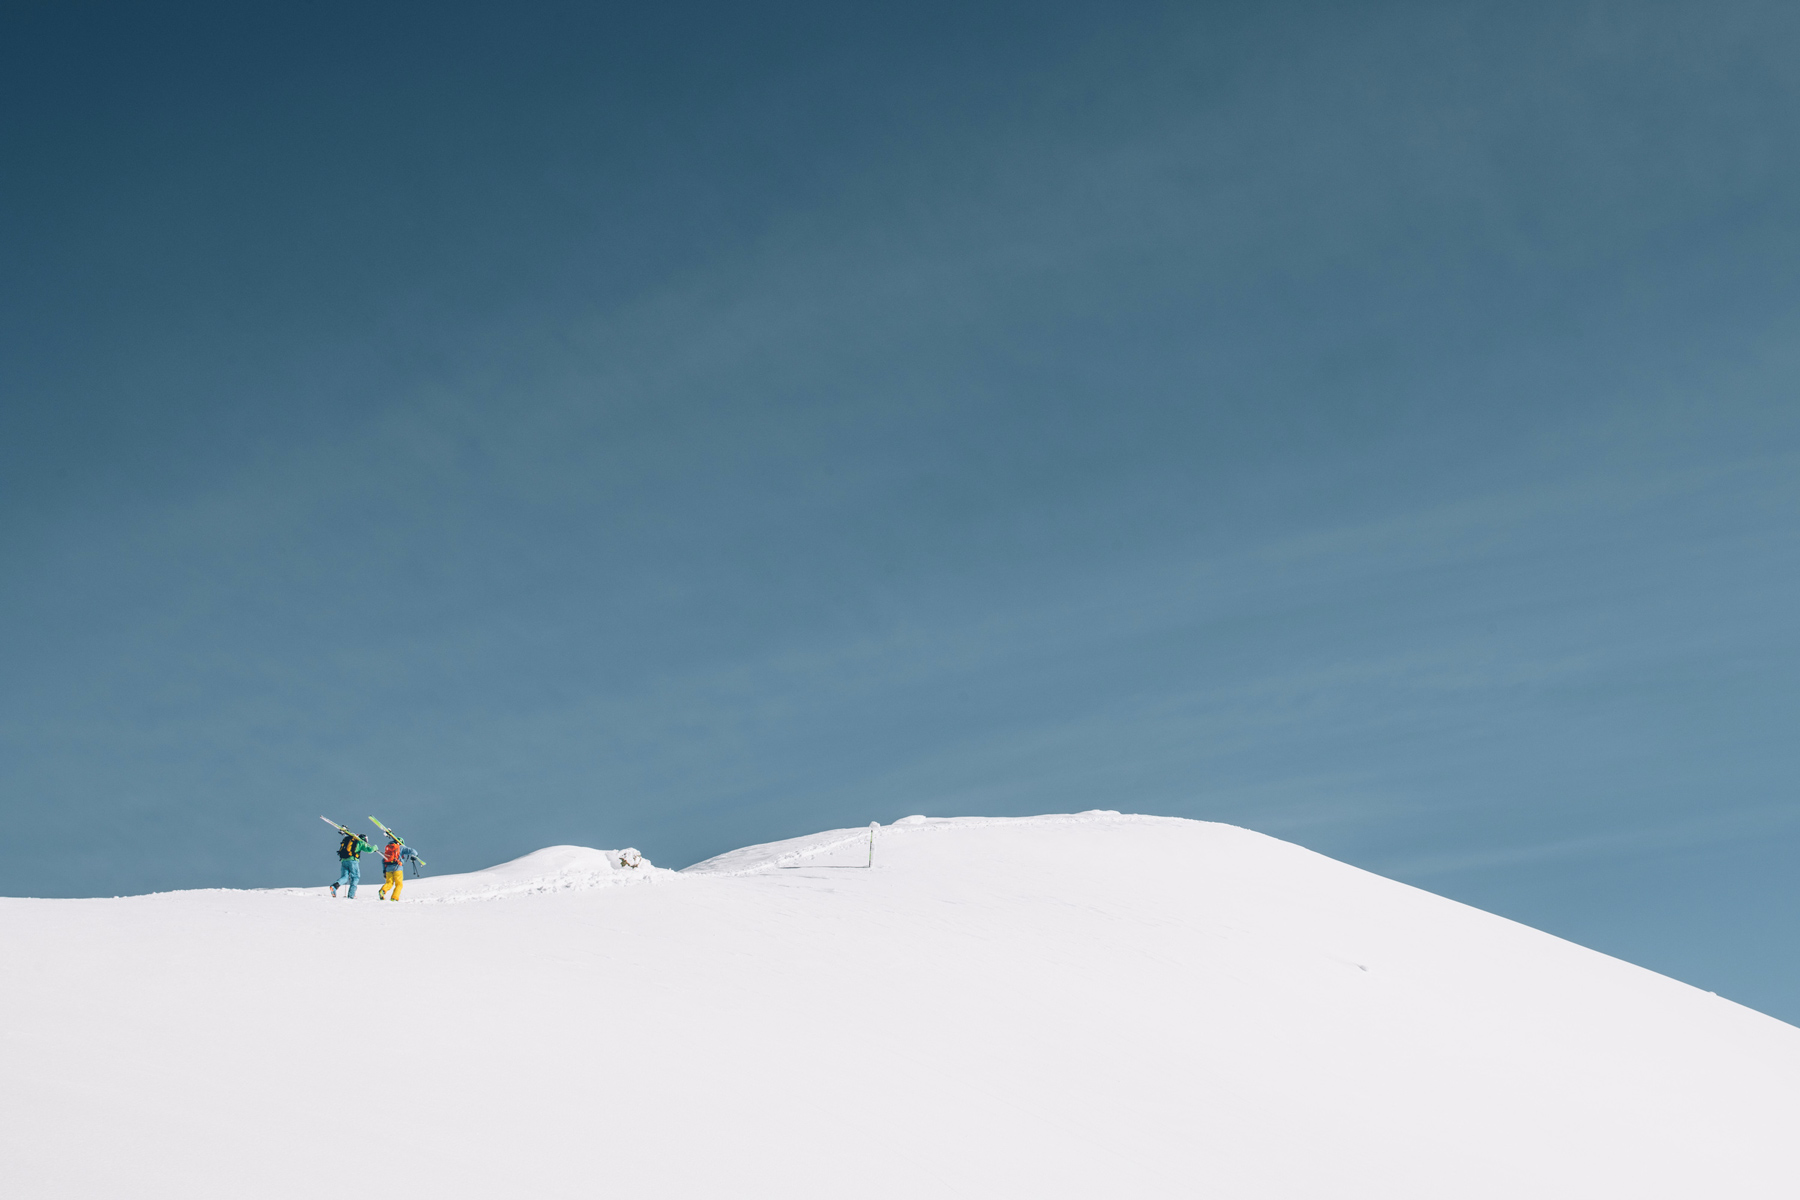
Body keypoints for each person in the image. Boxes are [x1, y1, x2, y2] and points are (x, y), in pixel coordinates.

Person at [377, 837, 422, 901]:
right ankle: (394, 898)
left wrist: (384, 870)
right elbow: (413, 851)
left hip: (388, 869)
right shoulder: (401, 847)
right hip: (397, 868)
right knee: (399, 884)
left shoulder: (389, 848)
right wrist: (414, 856)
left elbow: (383, 860)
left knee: (389, 883)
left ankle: (382, 891)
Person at [331, 829, 372, 898]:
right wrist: (375, 848)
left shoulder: (350, 840)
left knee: (345, 877)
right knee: (355, 877)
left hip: (344, 860)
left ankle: (335, 886)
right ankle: (351, 895)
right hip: (353, 861)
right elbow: (369, 850)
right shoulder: (360, 842)